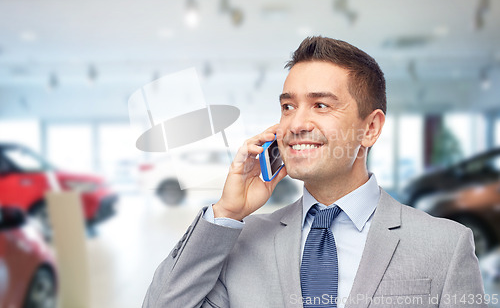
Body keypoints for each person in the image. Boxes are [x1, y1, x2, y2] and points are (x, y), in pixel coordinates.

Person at [143, 37, 486, 308]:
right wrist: (227, 213)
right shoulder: (239, 242)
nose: (296, 123)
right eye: (288, 106)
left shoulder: (445, 245)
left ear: (370, 128)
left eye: (321, 105)